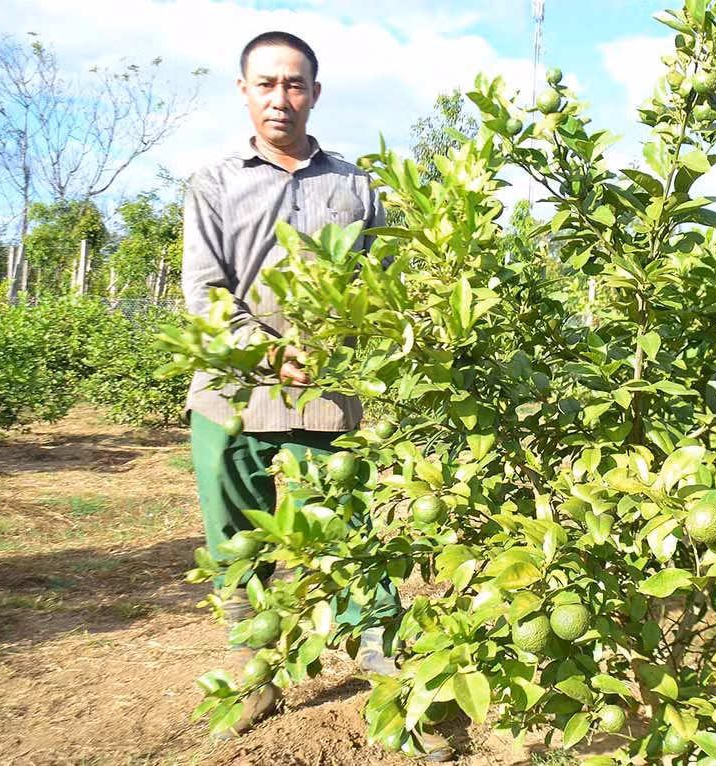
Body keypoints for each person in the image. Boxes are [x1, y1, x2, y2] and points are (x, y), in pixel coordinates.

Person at [181, 32, 452, 760]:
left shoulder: (358, 187)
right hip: (229, 397)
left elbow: (398, 285)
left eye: (294, 84)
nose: (280, 97)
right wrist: (267, 349)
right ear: (244, 90)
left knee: (356, 546)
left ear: (315, 93)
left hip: (325, 405)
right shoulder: (212, 183)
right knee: (237, 550)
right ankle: (258, 674)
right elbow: (203, 292)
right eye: (266, 83)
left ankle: (394, 692)